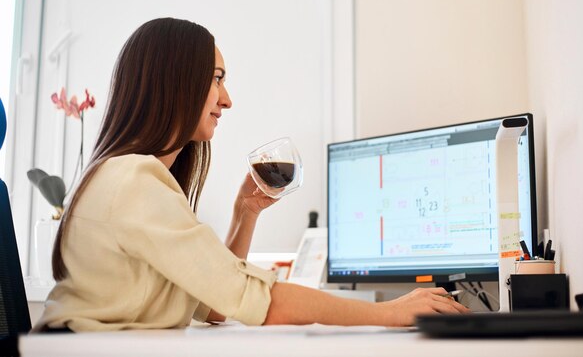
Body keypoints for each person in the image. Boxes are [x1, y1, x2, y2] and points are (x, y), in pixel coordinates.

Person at [34, 18, 469, 332]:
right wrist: (390, 312)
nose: (227, 99)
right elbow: (259, 301)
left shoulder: (129, 178)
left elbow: (214, 305)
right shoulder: (132, 181)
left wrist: (245, 216)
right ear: (177, 82)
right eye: (217, 79)